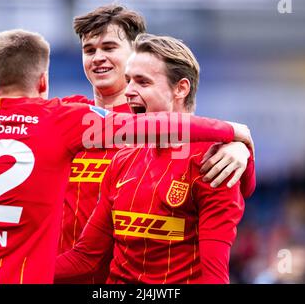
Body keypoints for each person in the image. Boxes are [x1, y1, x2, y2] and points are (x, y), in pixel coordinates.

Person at [0, 4, 255, 283]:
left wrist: (239, 144)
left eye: (109, 47)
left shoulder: (166, 132)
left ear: (136, 54)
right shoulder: (65, 116)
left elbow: (187, 135)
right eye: (89, 49)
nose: (97, 57)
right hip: (53, 271)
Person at [54, 34, 251, 283]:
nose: (128, 92)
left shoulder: (214, 162)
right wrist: (13, 272)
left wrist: (242, 148)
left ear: (181, 88)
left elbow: (214, 276)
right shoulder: (122, 159)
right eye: (128, 81)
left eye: (142, 82)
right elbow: (86, 258)